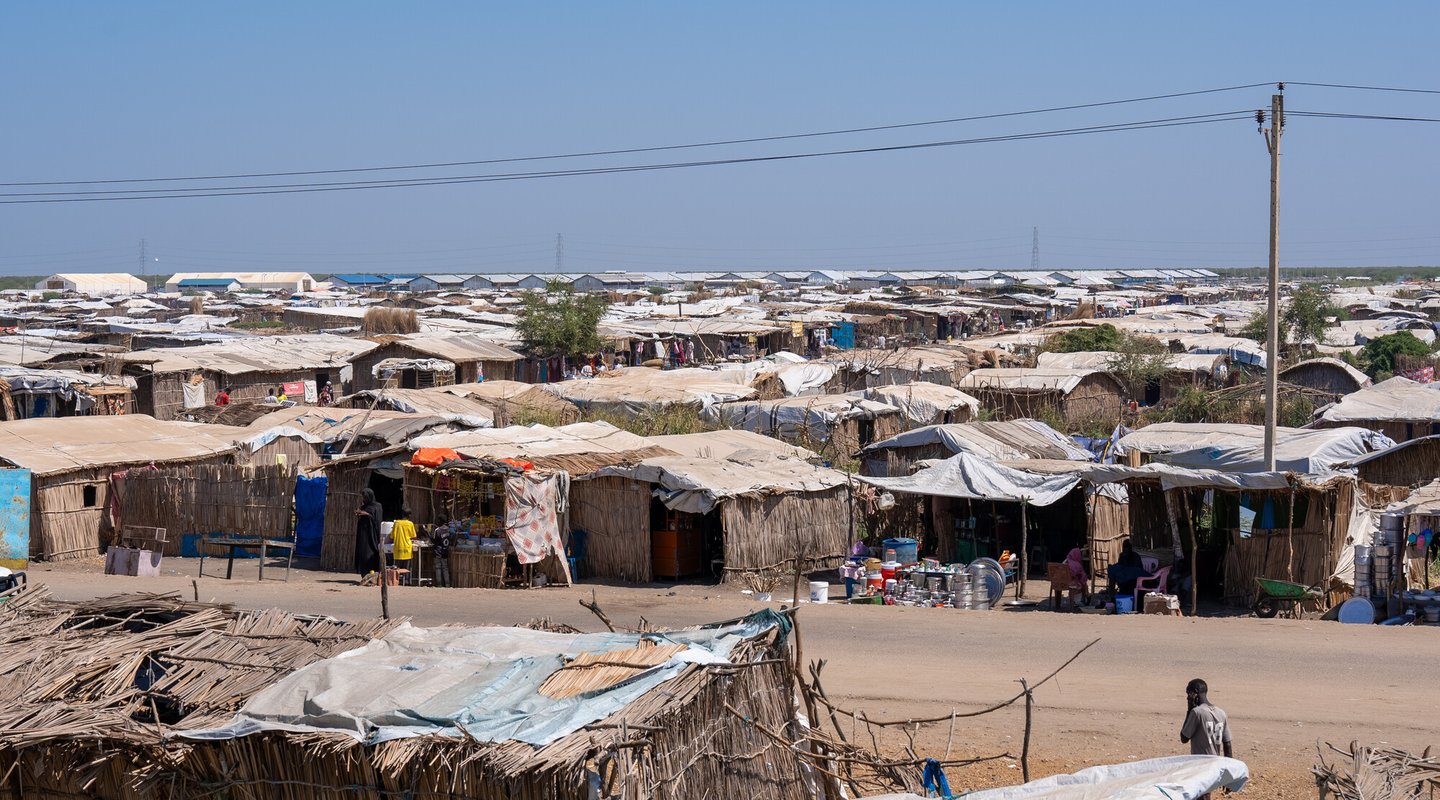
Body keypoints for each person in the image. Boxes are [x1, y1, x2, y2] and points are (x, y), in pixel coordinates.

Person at [1181, 678, 1233, 799]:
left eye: (1188, 693)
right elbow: (1227, 745)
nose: (1187, 697)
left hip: (1200, 764)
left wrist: (1189, 709)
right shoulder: (1221, 713)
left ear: (1195, 692)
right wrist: (1228, 775)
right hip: (1214, 764)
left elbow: (1184, 737)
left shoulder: (1196, 712)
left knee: (1201, 796)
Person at [353, 489, 383, 585]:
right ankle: (364, 577)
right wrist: (359, 513)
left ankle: (373, 577)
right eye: (363, 497)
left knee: (371, 555)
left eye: (365, 497)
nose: (364, 499)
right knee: (363, 555)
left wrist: (367, 515)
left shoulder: (377, 506)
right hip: (363, 535)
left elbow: (378, 520)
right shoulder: (364, 507)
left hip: (372, 536)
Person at [390, 506, 416, 585]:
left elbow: (392, 536)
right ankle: (407, 582)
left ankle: (397, 581)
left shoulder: (396, 523)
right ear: (409, 515)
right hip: (407, 549)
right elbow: (413, 536)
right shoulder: (410, 524)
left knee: (397, 567)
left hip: (398, 549)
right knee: (406, 568)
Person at [431, 517, 452, 588]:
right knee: (445, 568)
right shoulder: (448, 529)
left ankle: (439, 585)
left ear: (440, 521)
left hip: (438, 552)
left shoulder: (438, 530)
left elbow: (434, 541)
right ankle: (447, 584)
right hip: (445, 551)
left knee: (438, 568)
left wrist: (427, 533)